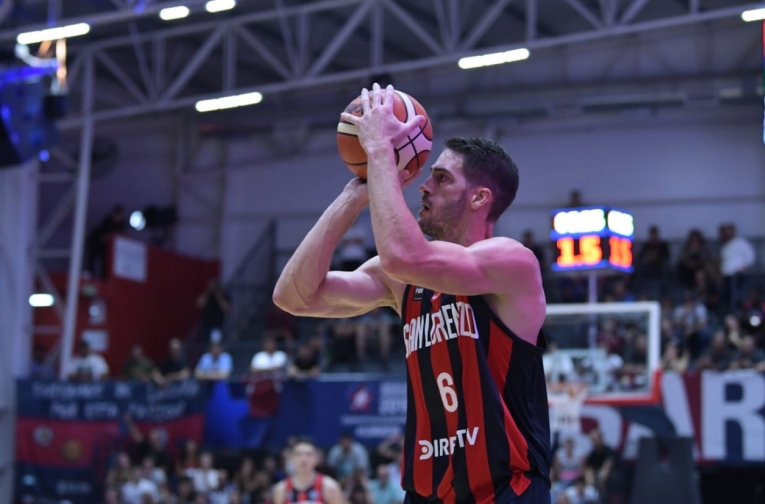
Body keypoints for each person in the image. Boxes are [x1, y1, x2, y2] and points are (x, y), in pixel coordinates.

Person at [273, 84, 550, 504]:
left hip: (504, 489)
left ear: (479, 197)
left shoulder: (511, 263)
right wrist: (353, 194)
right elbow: (294, 297)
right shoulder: (402, 280)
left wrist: (382, 152)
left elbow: (406, 256)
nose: (423, 185)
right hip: (426, 493)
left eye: (440, 179)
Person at [272, 439, 343, 504]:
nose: (303, 459)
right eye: (298, 454)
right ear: (292, 459)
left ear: (316, 459)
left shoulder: (330, 487)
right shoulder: (281, 489)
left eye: (308, 454)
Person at [85, 205, 127, 278]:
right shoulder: (107, 222)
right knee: (93, 259)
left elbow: (122, 236)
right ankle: (90, 274)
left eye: (120, 215)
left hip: (106, 247)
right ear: (114, 214)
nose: (119, 217)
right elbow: (102, 236)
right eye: (118, 215)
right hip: (95, 243)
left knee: (105, 260)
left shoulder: (121, 225)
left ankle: (103, 276)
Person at [197, 278, 231, 343]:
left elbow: (225, 308)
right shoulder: (208, 295)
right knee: (205, 343)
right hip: (207, 325)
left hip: (218, 325)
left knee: (216, 343)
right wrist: (207, 292)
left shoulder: (223, 296)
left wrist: (218, 295)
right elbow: (199, 304)